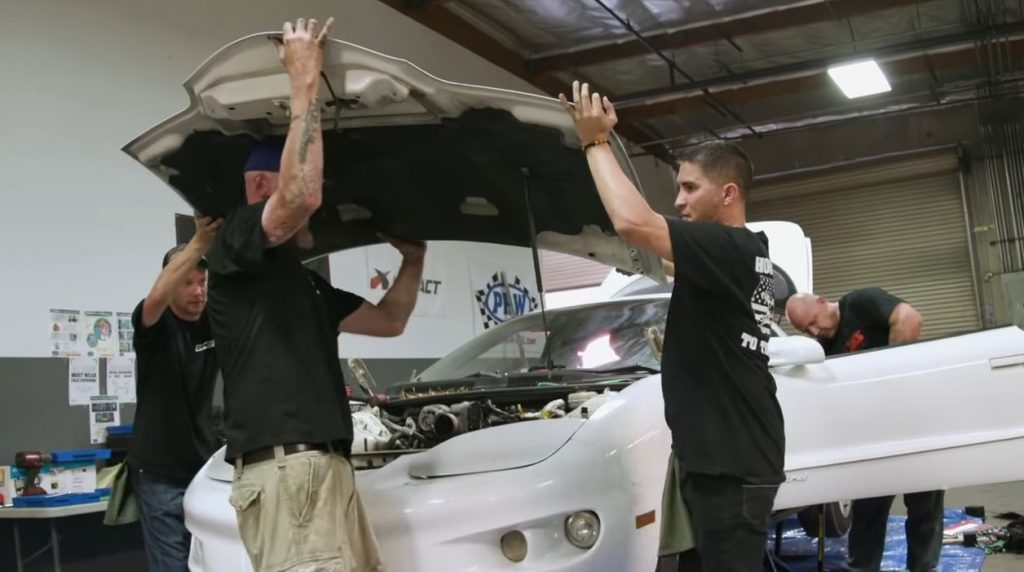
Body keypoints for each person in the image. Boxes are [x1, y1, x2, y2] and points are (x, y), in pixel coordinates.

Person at [204, 17, 425, 572]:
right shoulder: (235, 242)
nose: (318, 209)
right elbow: (300, 195)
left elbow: (391, 320)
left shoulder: (303, 282)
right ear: (259, 186)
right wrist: (305, 82)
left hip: (324, 470)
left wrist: (414, 261)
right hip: (287, 474)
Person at [560, 82, 785, 570]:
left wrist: (594, 141)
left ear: (728, 194)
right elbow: (658, 258)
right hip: (719, 459)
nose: (679, 201)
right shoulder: (742, 254)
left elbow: (634, 224)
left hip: (731, 465)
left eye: (689, 188)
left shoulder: (730, 248)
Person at [786, 289, 942, 572]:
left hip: (912, 421)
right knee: (869, 509)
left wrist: (887, 380)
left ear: (821, 301)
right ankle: (862, 568)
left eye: (812, 321)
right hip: (873, 433)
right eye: (805, 330)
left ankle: (924, 568)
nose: (813, 330)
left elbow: (910, 320)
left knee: (925, 507)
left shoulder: (860, 303)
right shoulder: (824, 351)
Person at [127, 214, 223, 571]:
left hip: (203, 467)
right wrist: (199, 240)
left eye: (202, 282)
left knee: (211, 560)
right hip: (158, 472)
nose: (198, 291)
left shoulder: (214, 320)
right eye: (187, 282)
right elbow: (154, 300)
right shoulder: (154, 323)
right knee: (173, 566)